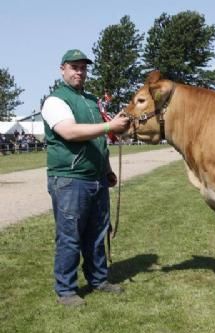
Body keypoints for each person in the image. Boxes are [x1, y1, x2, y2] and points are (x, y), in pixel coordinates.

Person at [41, 49, 130, 307]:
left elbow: (100, 141)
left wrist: (107, 169)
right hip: (70, 178)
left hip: (96, 178)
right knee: (70, 236)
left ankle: (98, 279)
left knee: (97, 232)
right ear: (62, 69)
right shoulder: (55, 100)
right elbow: (68, 131)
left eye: (83, 67)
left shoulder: (91, 101)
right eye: (74, 67)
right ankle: (66, 291)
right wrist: (109, 126)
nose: (79, 72)